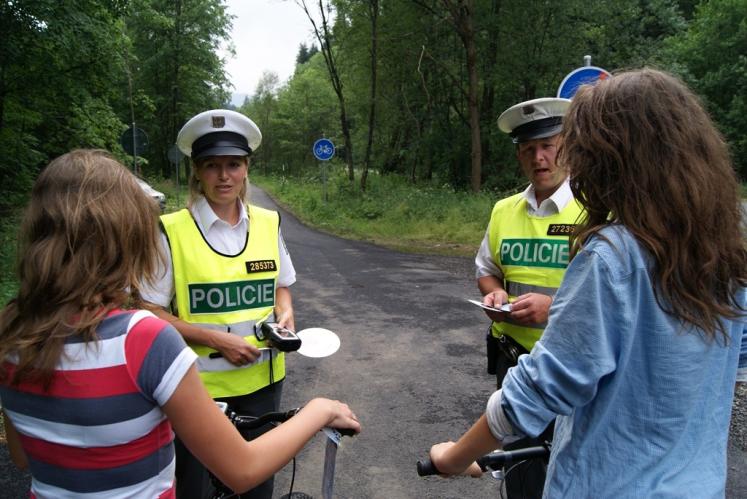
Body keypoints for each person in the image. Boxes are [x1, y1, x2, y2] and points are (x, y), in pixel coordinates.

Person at [429, 68, 747, 497]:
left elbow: (541, 387)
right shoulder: (727, 245)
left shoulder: (614, 254)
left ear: (614, 157)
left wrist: (453, 458)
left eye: (580, 149)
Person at [0, 149, 361, 498]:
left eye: (233, 164)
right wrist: (320, 409)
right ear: (127, 239)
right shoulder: (142, 339)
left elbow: (22, 454)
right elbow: (243, 470)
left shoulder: (12, 329)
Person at [139, 109, 295, 499]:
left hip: (263, 381)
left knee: (257, 487)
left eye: (233, 164)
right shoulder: (171, 231)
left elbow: (282, 286)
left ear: (246, 168)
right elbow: (148, 312)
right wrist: (215, 339)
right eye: (212, 166)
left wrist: (286, 312)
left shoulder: (269, 222)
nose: (224, 176)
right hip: (194, 389)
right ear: (197, 171)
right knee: (193, 490)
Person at [475, 96, 582, 497]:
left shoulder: (595, 210)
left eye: (548, 146)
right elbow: (486, 270)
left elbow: (616, 295)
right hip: (515, 366)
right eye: (528, 149)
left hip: (575, 370)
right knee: (520, 470)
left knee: (572, 474)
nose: (539, 158)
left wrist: (551, 308)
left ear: (567, 146)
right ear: (519, 156)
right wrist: (494, 292)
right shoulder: (503, 210)